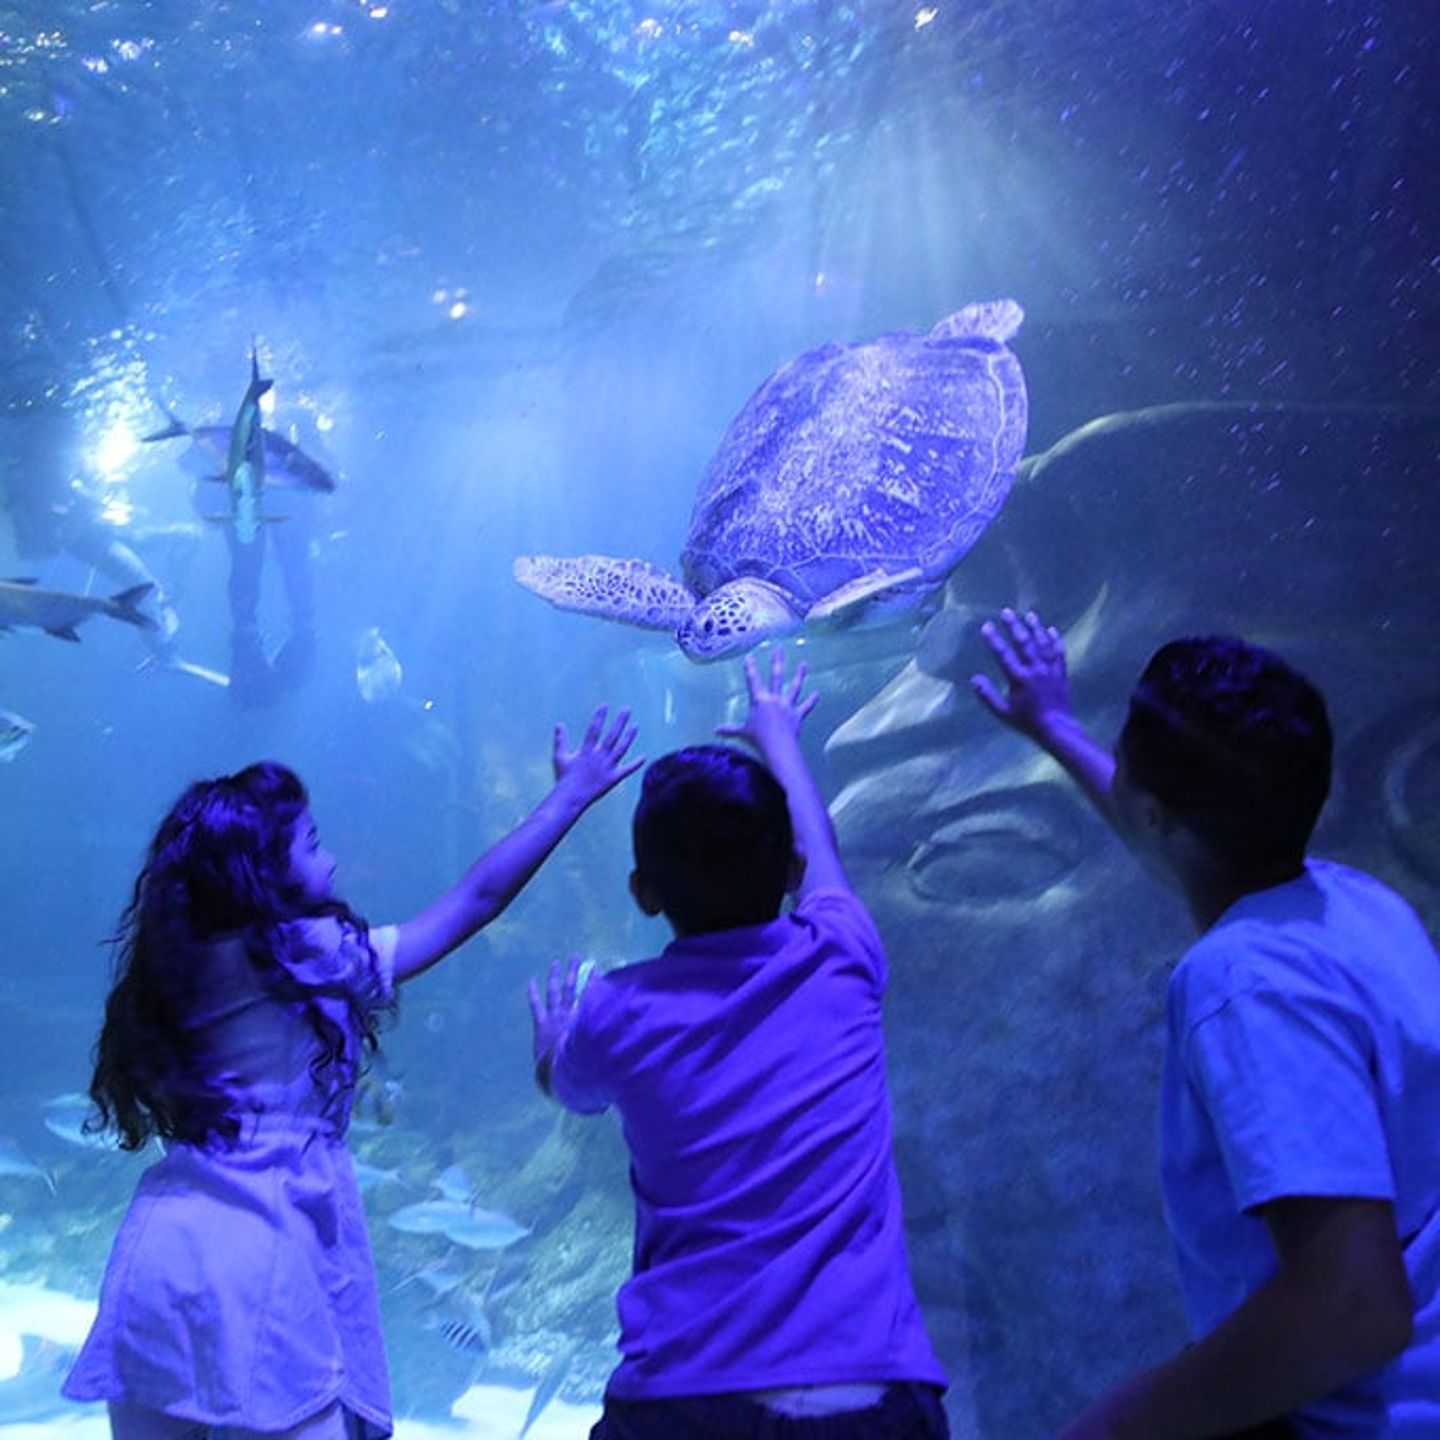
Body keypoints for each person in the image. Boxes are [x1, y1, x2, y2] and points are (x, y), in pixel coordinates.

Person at [63, 706, 641, 1440]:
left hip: (163, 1246)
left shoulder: (172, 966)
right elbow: (474, 902)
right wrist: (569, 797)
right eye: (312, 844)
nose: (331, 861)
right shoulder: (308, 955)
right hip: (266, 1249)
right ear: (265, 873)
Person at [971, 607, 1440, 1439]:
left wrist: (1113, 1426)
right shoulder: (1353, 906)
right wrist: (1054, 726)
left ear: (1155, 811)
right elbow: (1177, 841)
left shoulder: (1244, 984)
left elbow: (1353, 1307)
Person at [529, 650, 950, 1440]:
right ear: (790, 871)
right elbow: (822, 851)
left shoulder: (614, 1010)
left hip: (685, 1398)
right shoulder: (842, 954)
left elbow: (567, 1086)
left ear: (642, 893)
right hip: (867, 1390)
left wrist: (554, 1041)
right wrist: (778, 735)